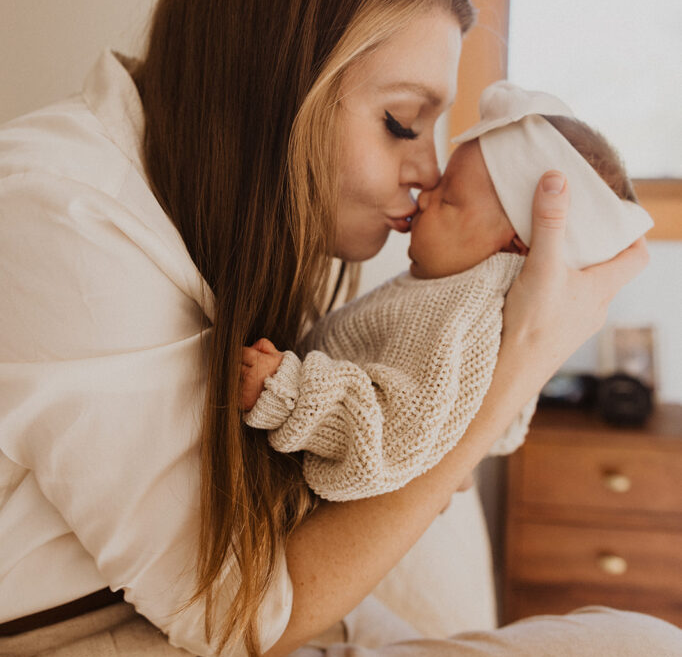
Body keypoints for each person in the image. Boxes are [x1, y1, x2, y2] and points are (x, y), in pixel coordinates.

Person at [1, 0, 681, 657]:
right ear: (277, 80)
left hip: (171, 635)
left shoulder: (233, 220)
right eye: (402, 121)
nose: (425, 171)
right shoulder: (62, 224)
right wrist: (512, 374)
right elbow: (245, 615)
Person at [241, 82, 654, 502]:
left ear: (514, 248)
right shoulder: (446, 286)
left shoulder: (468, 308)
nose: (424, 197)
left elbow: (397, 431)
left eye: (449, 199)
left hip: (286, 484)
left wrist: (287, 393)